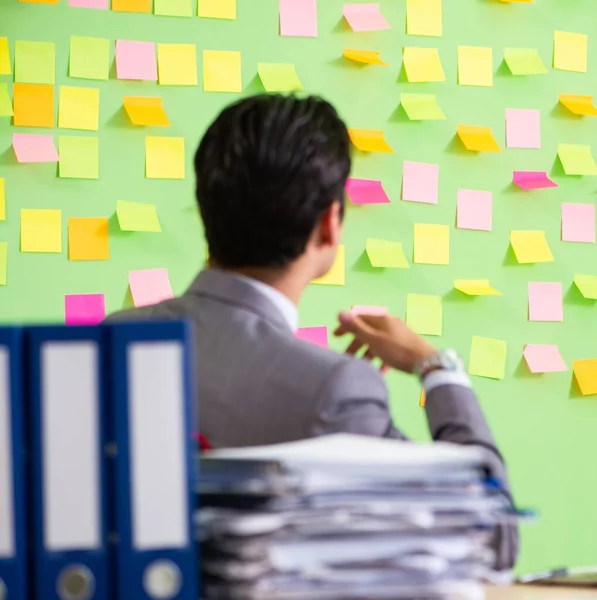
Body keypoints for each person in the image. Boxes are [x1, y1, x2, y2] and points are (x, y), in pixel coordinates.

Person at [107, 94, 518, 570]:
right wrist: (436, 368)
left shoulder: (112, 340)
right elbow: (491, 537)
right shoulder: (336, 390)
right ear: (329, 224)